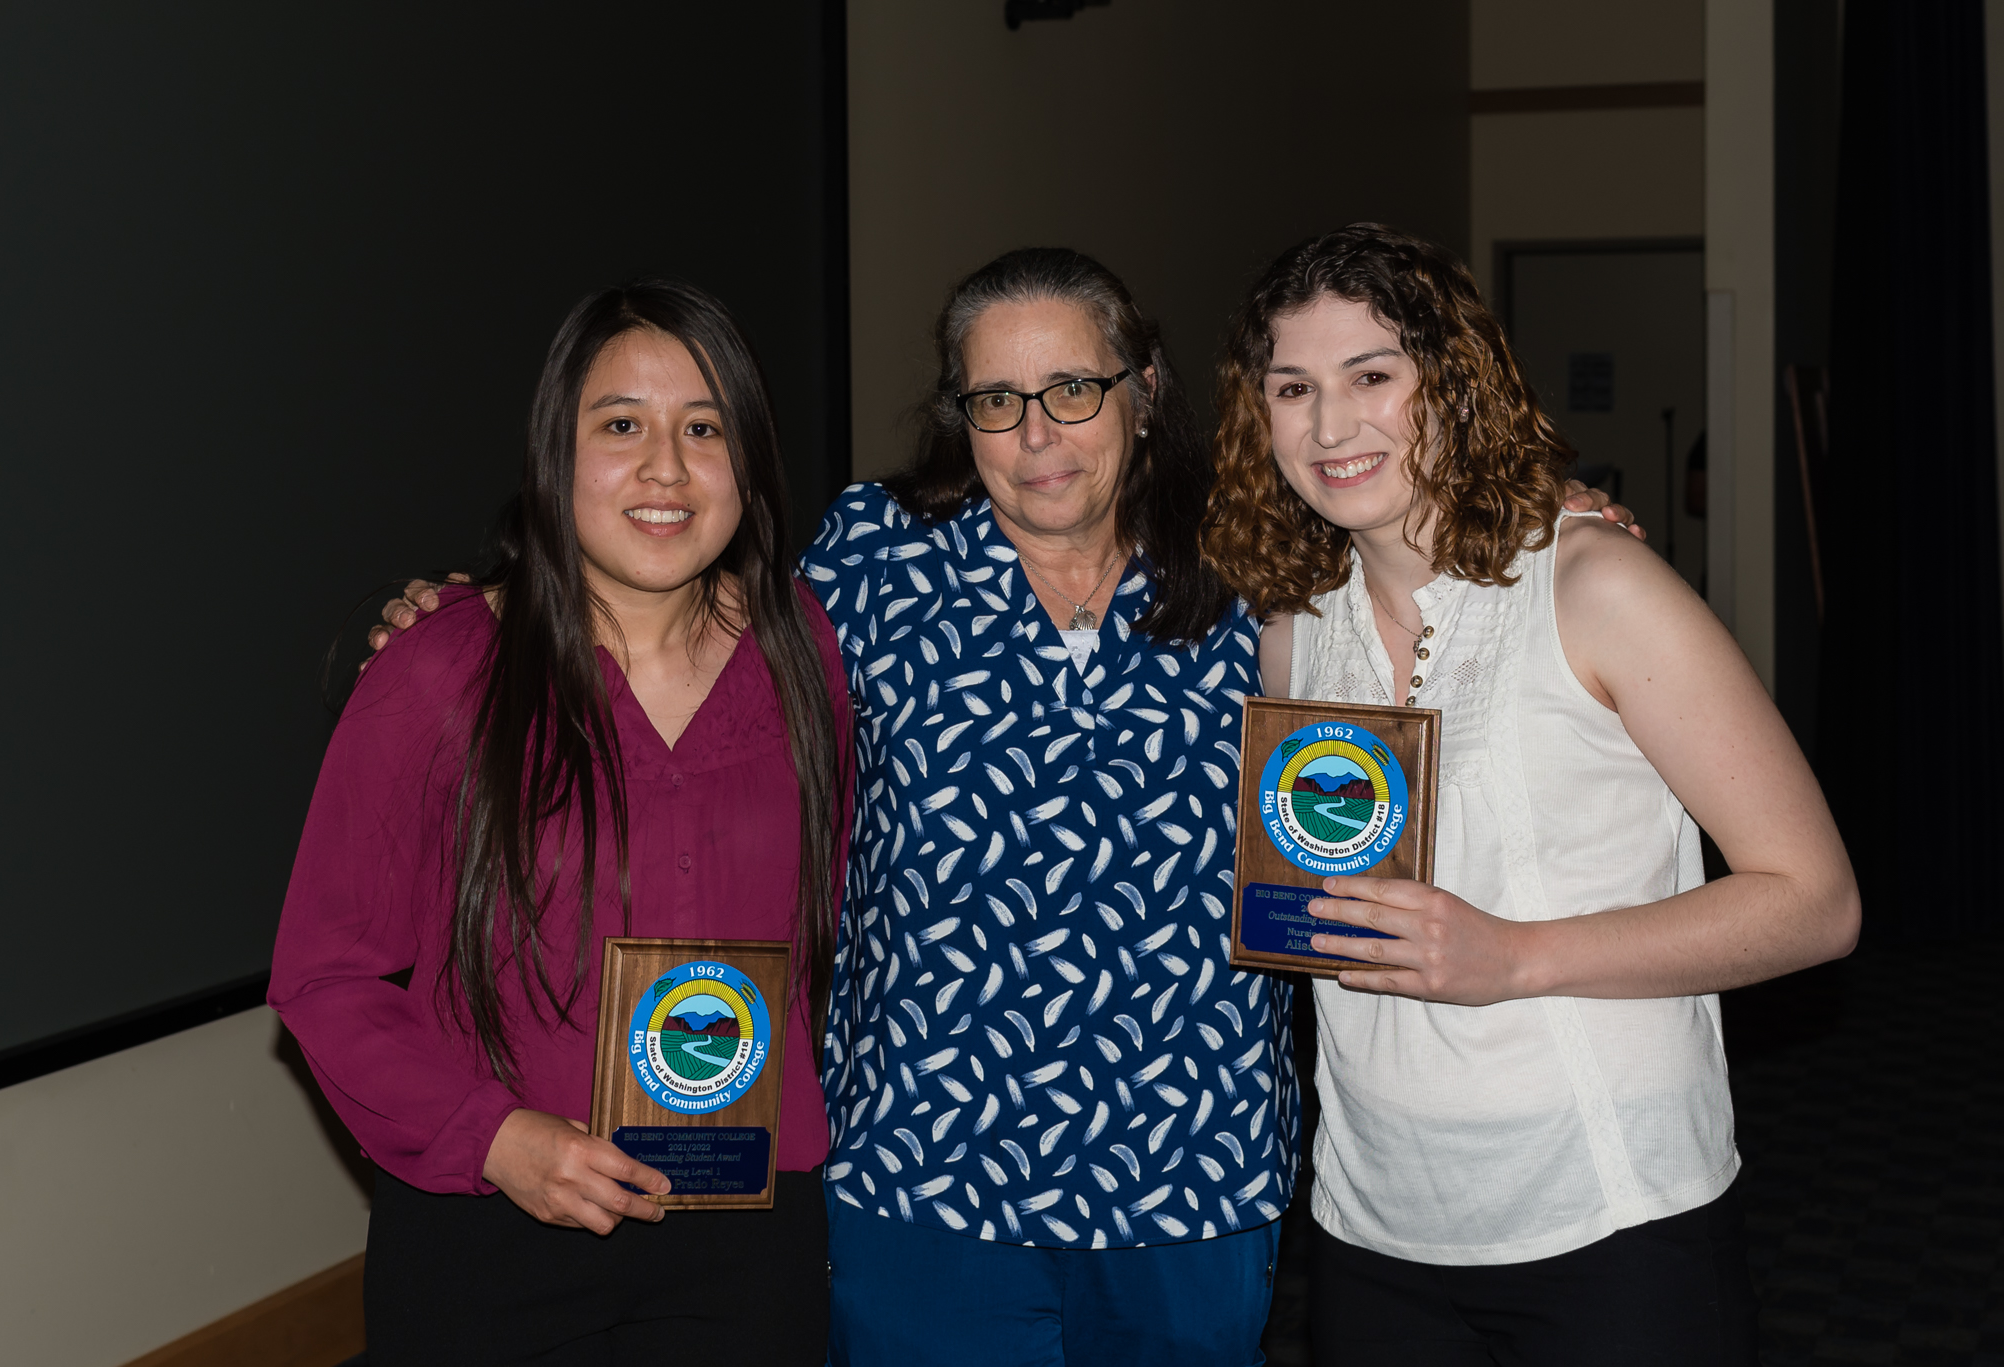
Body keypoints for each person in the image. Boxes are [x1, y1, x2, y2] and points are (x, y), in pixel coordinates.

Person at [369, 253, 1638, 1366]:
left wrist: (1548, 522)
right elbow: (680, 615)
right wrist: (468, 603)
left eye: (1072, 390)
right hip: (921, 1175)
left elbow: (1406, 546)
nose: (1038, 436)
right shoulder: (871, 557)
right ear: (957, 417)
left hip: (1187, 1168)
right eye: (995, 401)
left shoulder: (1252, 555)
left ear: (1141, 390)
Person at [1198, 223, 1860, 1366]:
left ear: (1448, 386)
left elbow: (1812, 901)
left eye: (1372, 376)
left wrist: (1515, 955)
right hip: (1369, 1226)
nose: (1328, 424)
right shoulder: (1290, 635)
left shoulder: (1598, 586)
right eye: (1291, 387)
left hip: (1606, 1215)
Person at [271, 279, 851, 1366]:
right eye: (621, 425)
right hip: (493, 1235)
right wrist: (493, 1138)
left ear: (750, 462)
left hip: (747, 1232)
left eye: (704, 427)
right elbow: (324, 977)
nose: (666, 468)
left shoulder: (802, 655)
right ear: (554, 453)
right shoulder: (438, 674)